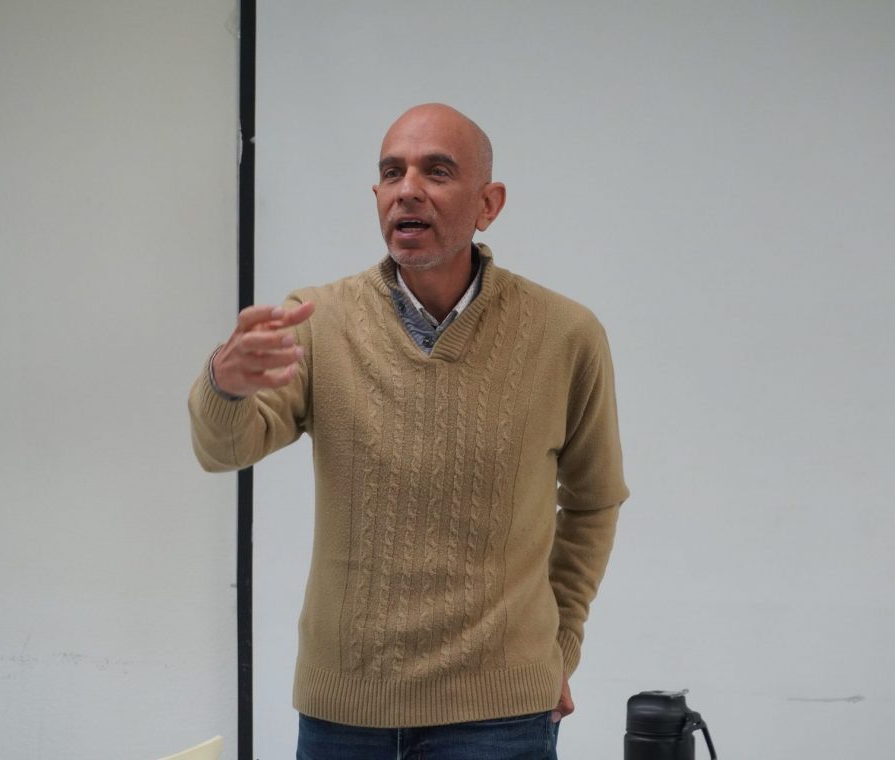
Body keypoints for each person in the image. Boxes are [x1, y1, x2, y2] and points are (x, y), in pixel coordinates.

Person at [188, 103, 629, 760]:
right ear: (376, 195)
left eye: (437, 172)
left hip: (500, 720)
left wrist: (558, 647)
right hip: (344, 717)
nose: (408, 190)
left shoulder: (566, 334)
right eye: (392, 173)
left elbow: (594, 501)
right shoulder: (316, 320)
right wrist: (225, 386)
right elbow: (224, 449)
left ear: (489, 203)